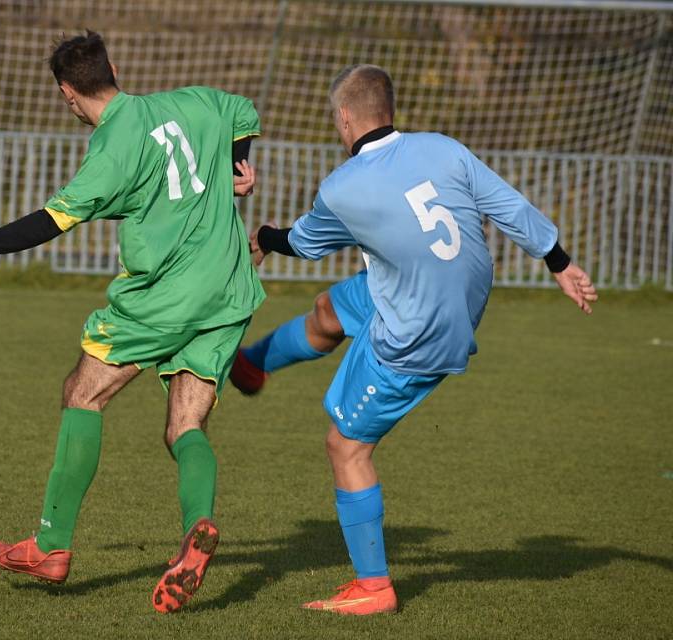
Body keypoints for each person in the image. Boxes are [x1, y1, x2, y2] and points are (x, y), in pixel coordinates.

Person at [231, 64, 598, 615]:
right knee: (330, 310)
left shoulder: (343, 185)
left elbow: (304, 243)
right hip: (446, 296)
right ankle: (255, 364)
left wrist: (263, 236)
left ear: (344, 117)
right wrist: (559, 262)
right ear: (391, 110)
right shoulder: (442, 148)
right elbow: (507, 205)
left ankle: (373, 588)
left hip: (420, 331)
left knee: (345, 446)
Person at [0, 31, 264, 614]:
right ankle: (197, 527)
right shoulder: (191, 101)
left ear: (67, 93)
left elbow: (47, 223)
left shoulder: (112, 150)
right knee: (185, 425)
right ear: (113, 67)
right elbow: (242, 112)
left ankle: (51, 545)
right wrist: (238, 160)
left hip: (164, 296)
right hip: (230, 287)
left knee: (81, 394)